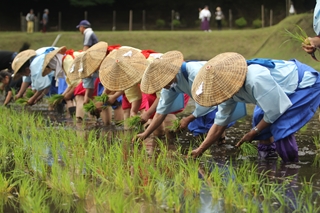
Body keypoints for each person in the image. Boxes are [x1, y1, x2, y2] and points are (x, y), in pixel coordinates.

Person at [190, 52, 320, 163]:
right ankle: (268, 163)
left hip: (304, 84)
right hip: (274, 91)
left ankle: (290, 169)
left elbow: (275, 111)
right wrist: (200, 150)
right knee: (259, 119)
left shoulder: (255, 79)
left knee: (281, 125)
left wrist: (252, 132)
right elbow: (219, 125)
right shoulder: (226, 92)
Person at [133, 51, 233, 142]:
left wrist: (189, 118)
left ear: (170, 74)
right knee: (200, 134)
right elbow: (160, 113)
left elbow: (209, 102)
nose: (163, 86)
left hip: (220, 92)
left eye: (163, 82)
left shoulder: (194, 74)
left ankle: (221, 150)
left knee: (214, 128)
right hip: (203, 100)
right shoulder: (170, 86)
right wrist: (145, 134)